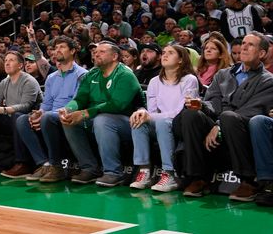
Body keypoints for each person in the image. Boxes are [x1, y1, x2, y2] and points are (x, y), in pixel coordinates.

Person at [176, 32, 273, 200]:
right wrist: (201, 105)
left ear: (262, 53)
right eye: (243, 43)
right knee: (191, 114)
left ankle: (248, 181)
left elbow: (252, 110)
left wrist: (219, 124)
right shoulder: (223, 74)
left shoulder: (268, 81)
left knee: (229, 117)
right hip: (218, 122)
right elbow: (213, 102)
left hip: (241, 128)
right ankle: (198, 177)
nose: (244, 47)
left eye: (250, 45)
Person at [61, 41, 142, 187]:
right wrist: (68, 109)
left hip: (129, 123)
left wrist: (86, 113)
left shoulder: (125, 75)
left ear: (115, 56)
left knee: (102, 120)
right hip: (97, 118)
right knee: (70, 121)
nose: (96, 54)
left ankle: (113, 172)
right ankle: (89, 168)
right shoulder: (92, 74)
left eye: (102, 51)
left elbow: (117, 105)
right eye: (95, 52)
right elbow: (80, 99)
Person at [16, 36, 87, 183]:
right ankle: (45, 164)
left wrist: (46, 114)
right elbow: (47, 104)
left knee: (48, 118)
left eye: (62, 47)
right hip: (50, 117)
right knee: (23, 119)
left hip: (70, 117)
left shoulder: (82, 75)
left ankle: (57, 166)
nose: (57, 50)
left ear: (73, 51)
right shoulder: (51, 78)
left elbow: (78, 103)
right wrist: (39, 113)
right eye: (55, 48)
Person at [129, 45, 199, 192]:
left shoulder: (189, 80)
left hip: (180, 124)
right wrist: (143, 113)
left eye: (171, 53)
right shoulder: (154, 81)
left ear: (180, 60)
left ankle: (170, 174)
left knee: (159, 121)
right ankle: (144, 171)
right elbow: (152, 111)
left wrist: (151, 116)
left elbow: (181, 111)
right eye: (164, 53)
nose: (165, 55)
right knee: (138, 121)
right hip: (161, 123)